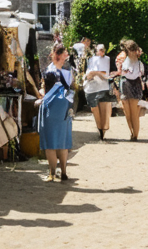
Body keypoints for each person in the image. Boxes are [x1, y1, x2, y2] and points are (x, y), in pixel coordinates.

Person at [38, 44, 75, 181]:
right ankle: (64, 171)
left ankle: (52, 173)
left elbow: (44, 91)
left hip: (51, 106)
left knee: (50, 143)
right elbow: (72, 90)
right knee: (63, 140)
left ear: (55, 55)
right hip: (65, 106)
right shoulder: (68, 71)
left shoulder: (48, 71)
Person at [83, 43, 116, 140]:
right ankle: (100, 129)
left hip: (104, 86)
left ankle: (103, 130)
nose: (101, 52)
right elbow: (87, 73)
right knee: (95, 109)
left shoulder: (109, 59)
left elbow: (111, 73)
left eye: (103, 50)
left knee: (104, 110)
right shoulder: (90, 59)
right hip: (93, 86)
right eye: (99, 50)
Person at [118, 40, 146, 141]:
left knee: (134, 113)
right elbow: (121, 73)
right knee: (127, 113)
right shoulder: (123, 60)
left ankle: (135, 135)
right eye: (131, 50)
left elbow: (140, 74)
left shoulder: (139, 63)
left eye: (134, 50)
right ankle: (132, 132)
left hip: (134, 85)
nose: (133, 52)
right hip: (126, 85)